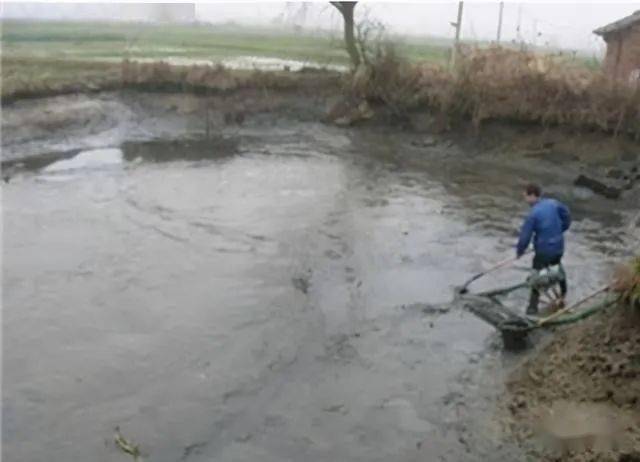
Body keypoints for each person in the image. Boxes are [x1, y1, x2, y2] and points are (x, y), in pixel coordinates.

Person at [516, 183, 571, 315]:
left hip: (543, 251)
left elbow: (524, 238)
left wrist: (519, 252)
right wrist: (560, 230)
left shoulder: (533, 214)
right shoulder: (554, 203)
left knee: (536, 276)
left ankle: (532, 309)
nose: (525, 200)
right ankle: (563, 294)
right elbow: (567, 216)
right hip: (559, 247)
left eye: (526, 197)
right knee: (557, 265)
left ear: (533, 196)